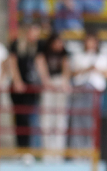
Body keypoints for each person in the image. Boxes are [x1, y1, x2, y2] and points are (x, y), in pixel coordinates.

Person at [70, 30, 107, 151]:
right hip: (80, 90)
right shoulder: (78, 54)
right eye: (89, 40)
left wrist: (96, 69)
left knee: (91, 122)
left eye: (94, 41)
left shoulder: (104, 54)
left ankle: (89, 151)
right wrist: (87, 69)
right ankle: (77, 152)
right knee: (77, 121)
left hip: (95, 92)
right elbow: (72, 73)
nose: (91, 44)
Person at [37, 32, 70, 161]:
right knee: (46, 120)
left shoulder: (65, 55)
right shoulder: (43, 54)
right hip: (48, 87)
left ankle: (58, 153)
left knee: (60, 120)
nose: (59, 45)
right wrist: (48, 83)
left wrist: (63, 83)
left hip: (60, 85)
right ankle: (47, 153)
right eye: (57, 42)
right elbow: (42, 70)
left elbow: (66, 71)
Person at [8, 23, 43, 150]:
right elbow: (12, 63)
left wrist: (45, 81)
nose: (35, 35)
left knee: (30, 119)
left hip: (31, 88)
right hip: (18, 88)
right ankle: (20, 148)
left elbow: (40, 64)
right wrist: (17, 81)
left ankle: (28, 149)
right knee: (19, 118)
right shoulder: (17, 44)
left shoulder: (37, 46)